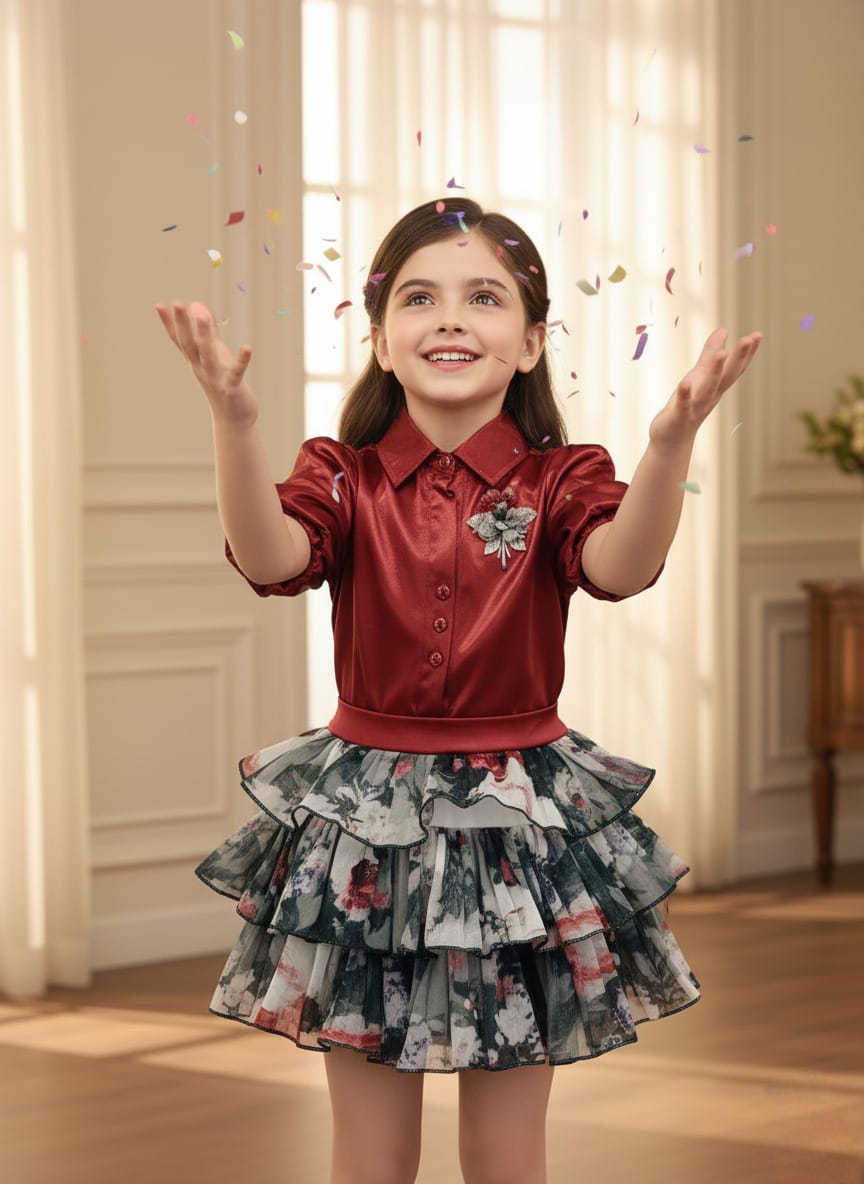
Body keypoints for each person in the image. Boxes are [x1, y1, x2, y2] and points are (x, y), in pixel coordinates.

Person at [155, 196, 761, 1184]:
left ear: (529, 341)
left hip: (520, 829)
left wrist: (671, 443)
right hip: (368, 830)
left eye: (484, 297)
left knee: (509, 1154)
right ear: (382, 342)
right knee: (371, 1154)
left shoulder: (566, 476)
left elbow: (617, 564)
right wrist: (234, 426)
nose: (449, 318)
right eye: (420, 297)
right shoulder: (338, 474)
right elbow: (269, 555)